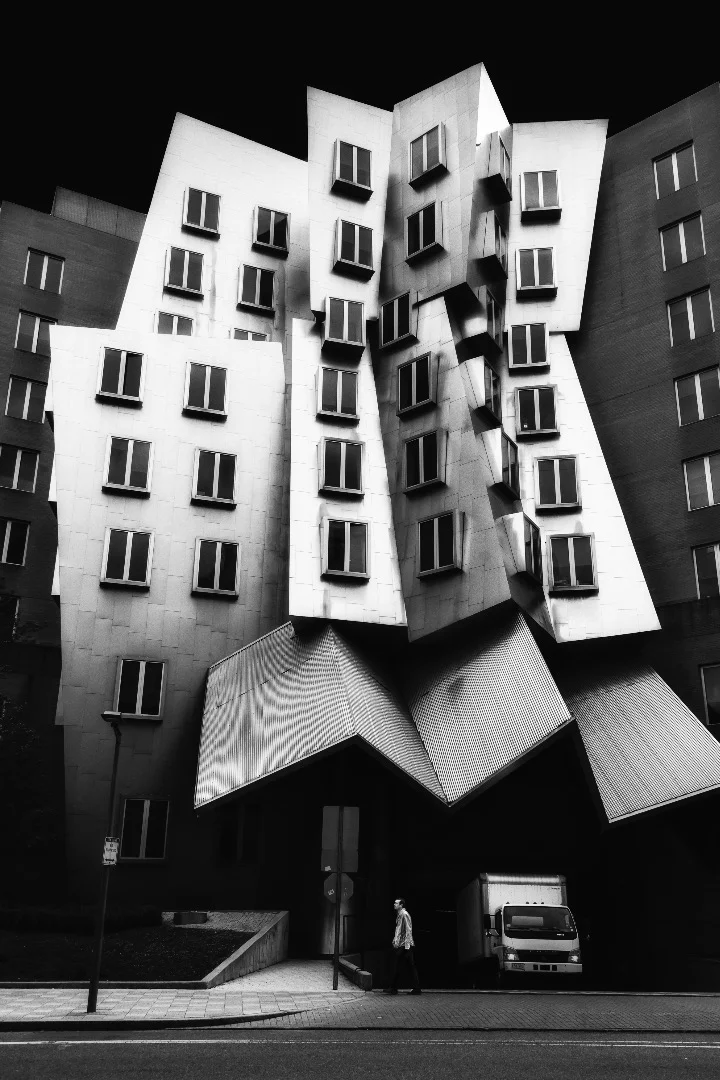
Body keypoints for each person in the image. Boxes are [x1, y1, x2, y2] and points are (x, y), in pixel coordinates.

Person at [384, 897, 421, 994]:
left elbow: (408, 930)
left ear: (401, 905)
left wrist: (407, 946)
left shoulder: (404, 915)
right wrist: (395, 940)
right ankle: (395, 987)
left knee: (401, 965)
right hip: (402, 945)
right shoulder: (400, 915)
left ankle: (394, 988)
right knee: (402, 965)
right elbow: (399, 930)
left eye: (396, 903)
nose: (394, 904)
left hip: (405, 945)